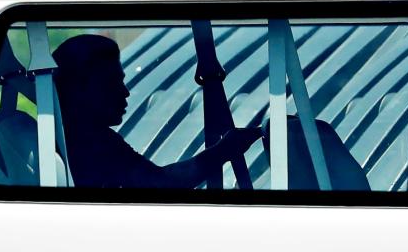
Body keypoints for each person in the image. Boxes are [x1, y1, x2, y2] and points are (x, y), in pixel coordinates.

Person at [53, 34, 261, 188]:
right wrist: (225, 149)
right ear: (80, 89)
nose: (125, 92)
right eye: (111, 83)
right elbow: (162, 183)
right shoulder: (90, 142)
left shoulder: (63, 137)